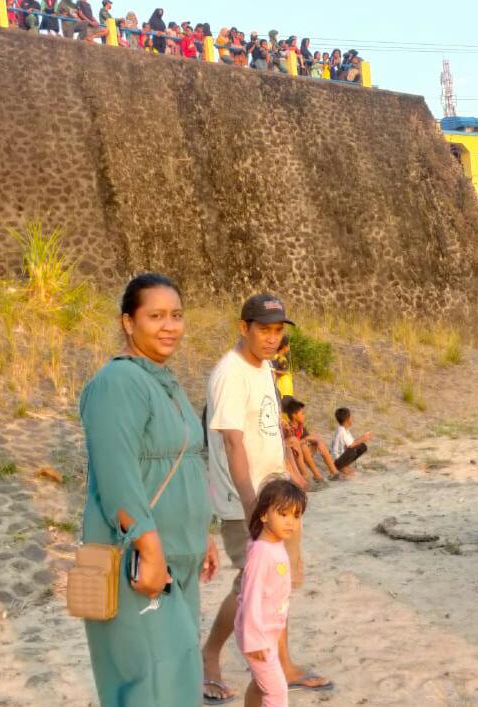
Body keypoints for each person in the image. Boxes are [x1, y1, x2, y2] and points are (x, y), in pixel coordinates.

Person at [78, 273, 221, 707]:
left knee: (178, 679)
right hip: (138, 561)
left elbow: (185, 465)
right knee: (148, 686)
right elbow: (117, 475)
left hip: (179, 554)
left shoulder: (166, 383)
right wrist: (150, 547)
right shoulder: (117, 383)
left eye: (176, 316)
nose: (169, 326)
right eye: (155, 316)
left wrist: (205, 533)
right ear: (127, 322)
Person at [201, 294, 331, 704]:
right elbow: (233, 444)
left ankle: (282, 664)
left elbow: (270, 426)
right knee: (249, 587)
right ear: (244, 328)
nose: (272, 338)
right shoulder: (229, 373)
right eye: (264, 330)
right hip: (247, 501)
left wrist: (291, 473)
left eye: (278, 331)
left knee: (282, 580)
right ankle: (210, 656)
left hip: (276, 497)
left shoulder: (264, 369)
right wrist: (249, 504)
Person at [237, 479, 308, 707]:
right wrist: (254, 639)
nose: (291, 522)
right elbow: (250, 597)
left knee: (261, 684)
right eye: (283, 514)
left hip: (268, 632)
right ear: (264, 515)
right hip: (257, 635)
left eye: (296, 516)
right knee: (277, 693)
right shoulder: (261, 552)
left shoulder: (275, 545)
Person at [280, 398, 339, 484]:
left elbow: (309, 438)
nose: (304, 416)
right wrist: (306, 440)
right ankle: (317, 475)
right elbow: (293, 445)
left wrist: (314, 440)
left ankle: (334, 471)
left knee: (319, 443)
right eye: (302, 414)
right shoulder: (288, 428)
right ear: (294, 415)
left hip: (304, 454)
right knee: (304, 446)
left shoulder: (301, 427)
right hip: (294, 458)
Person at [330, 408, 370, 475]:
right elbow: (351, 445)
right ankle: (341, 467)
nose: (352, 418)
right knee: (352, 450)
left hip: (341, 457)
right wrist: (363, 438)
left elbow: (352, 443)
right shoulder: (341, 431)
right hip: (337, 460)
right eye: (351, 417)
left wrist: (362, 439)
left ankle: (345, 465)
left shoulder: (345, 429)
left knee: (362, 446)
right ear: (347, 419)